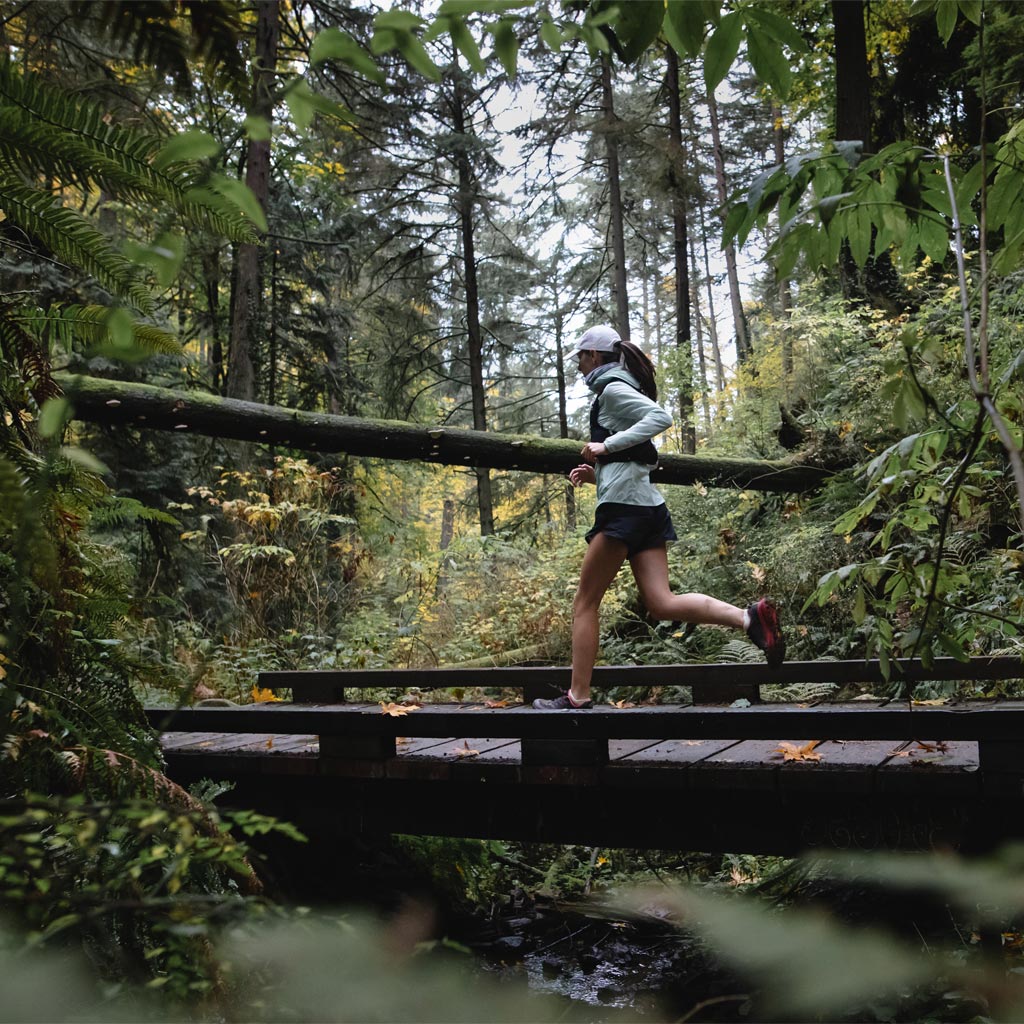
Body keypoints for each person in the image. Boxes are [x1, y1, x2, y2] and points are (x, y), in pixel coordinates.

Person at [533, 325, 786, 711]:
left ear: (595, 356)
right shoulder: (619, 388)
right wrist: (597, 470)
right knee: (662, 603)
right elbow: (634, 456)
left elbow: (660, 418)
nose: (579, 366)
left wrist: (605, 445)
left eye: (581, 357)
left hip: (623, 509)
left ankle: (577, 697)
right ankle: (750, 618)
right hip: (646, 506)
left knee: (585, 604)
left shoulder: (613, 390)